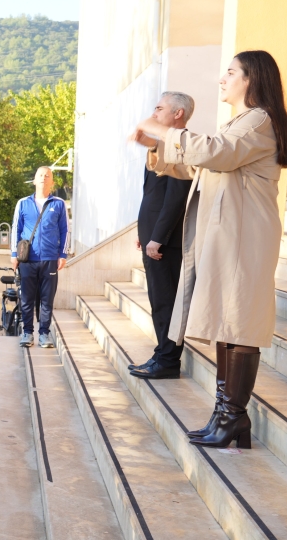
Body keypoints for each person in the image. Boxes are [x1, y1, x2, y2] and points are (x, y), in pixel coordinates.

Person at [135, 51, 287, 449]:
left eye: (230, 72)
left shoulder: (259, 120)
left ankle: (233, 416)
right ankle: (225, 415)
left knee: (240, 322)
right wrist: (157, 145)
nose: (222, 79)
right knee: (229, 323)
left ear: (251, 79)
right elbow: (201, 166)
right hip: (229, 237)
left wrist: (163, 130)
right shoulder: (242, 123)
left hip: (245, 237)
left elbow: (215, 153)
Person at [128, 92, 195, 381]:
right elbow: (152, 196)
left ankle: (168, 360)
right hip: (154, 237)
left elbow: (175, 199)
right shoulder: (164, 147)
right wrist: (144, 232)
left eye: (159, 108)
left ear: (178, 113)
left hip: (166, 242)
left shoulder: (182, 148)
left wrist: (158, 237)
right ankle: (161, 354)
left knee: (166, 301)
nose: (154, 114)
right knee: (158, 299)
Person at [10, 167, 68, 349]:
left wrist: (63, 254)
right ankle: (27, 333)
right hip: (28, 259)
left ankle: (44, 333)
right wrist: (14, 254)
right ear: (34, 180)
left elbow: (65, 230)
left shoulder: (59, 204)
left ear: (52, 182)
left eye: (47, 175)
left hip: (50, 259)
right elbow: (16, 229)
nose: (44, 178)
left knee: (47, 300)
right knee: (27, 299)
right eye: (40, 175)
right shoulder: (23, 203)